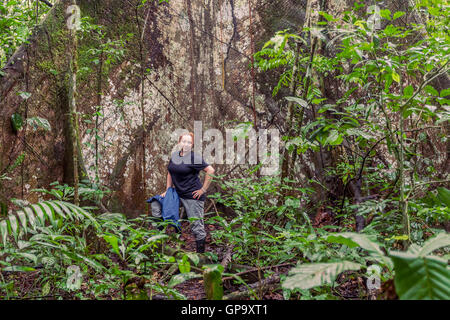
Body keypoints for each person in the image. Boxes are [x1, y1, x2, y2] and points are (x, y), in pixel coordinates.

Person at [151, 132, 215, 253]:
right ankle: (161, 239)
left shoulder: (194, 158)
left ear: (192, 145)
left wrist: (203, 189)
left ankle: (200, 256)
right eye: (184, 141)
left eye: (189, 142)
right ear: (179, 142)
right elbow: (170, 172)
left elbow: (210, 170)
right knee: (156, 204)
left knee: (196, 226)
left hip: (192, 196)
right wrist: (168, 189)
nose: (186, 144)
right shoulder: (175, 156)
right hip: (177, 194)